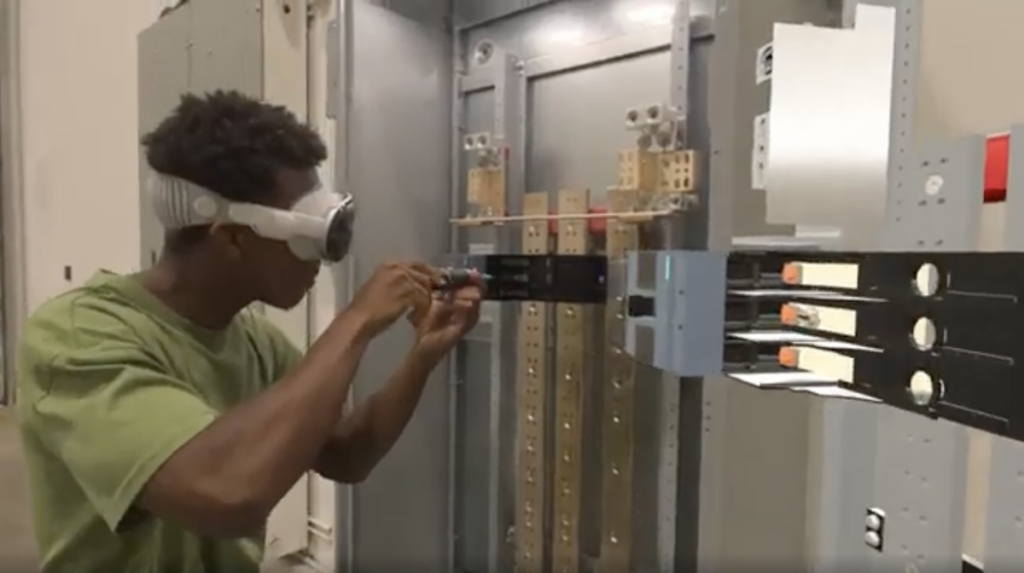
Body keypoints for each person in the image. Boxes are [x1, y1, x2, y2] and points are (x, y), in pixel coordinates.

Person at [16, 90, 482, 573]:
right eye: (310, 240)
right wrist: (356, 320)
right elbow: (226, 494)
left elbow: (346, 454)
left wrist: (421, 357)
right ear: (233, 238)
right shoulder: (75, 338)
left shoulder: (257, 344)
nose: (323, 262)